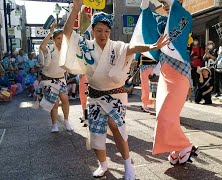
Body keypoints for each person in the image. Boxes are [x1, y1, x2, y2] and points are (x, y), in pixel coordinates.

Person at [61, 0, 169, 178]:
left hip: (116, 96)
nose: (103, 34)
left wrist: (151, 47)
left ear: (110, 32)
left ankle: (128, 165)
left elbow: (132, 47)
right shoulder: (86, 47)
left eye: (106, 31)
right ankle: (103, 165)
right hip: (95, 96)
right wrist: (75, 8)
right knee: (96, 134)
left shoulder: (117, 47)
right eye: (99, 30)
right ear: (93, 31)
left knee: (116, 126)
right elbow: (67, 34)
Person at [133, 0, 198, 165]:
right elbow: (148, 21)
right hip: (164, 75)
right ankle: (176, 149)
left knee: (165, 116)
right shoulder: (163, 21)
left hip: (179, 76)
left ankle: (185, 145)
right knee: (167, 116)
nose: (164, 4)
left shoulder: (184, 17)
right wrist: (146, 6)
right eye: (162, 1)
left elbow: (172, 45)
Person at [39, 22, 72, 133]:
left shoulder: (66, 51)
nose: (61, 40)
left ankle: (66, 121)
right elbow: (42, 46)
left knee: (65, 99)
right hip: (48, 79)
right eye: (58, 38)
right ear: (54, 39)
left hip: (60, 79)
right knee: (55, 103)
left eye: (62, 38)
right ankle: (54, 124)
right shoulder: (49, 49)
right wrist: (50, 32)